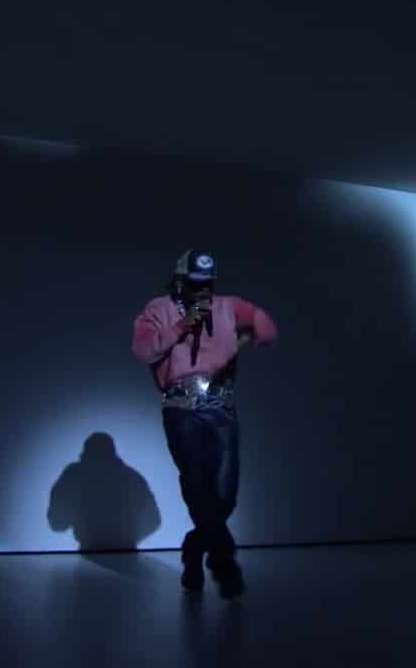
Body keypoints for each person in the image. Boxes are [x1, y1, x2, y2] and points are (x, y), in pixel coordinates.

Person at [130, 249, 278, 598]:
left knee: (225, 494)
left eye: (208, 284)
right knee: (199, 489)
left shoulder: (228, 306)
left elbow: (267, 329)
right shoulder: (158, 309)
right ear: (179, 281)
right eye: (195, 283)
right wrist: (182, 326)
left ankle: (194, 547)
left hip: (220, 407)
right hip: (181, 407)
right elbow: (144, 351)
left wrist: (241, 341)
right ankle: (224, 564)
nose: (203, 290)